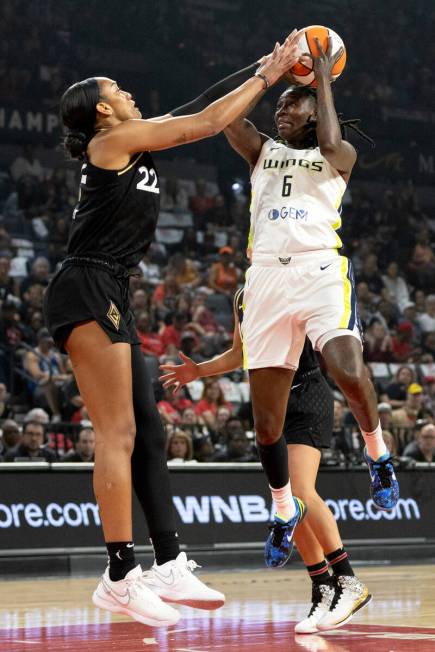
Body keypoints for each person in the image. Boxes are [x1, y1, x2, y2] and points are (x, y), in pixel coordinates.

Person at [43, 35, 301, 627]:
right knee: (117, 432)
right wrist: (272, 77)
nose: (126, 90)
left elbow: (201, 104)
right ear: (103, 109)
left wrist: (260, 67)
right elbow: (206, 123)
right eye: (117, 88)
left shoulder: (126, 135)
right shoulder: (113, 140)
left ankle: (166, 559)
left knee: (151, 430)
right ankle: (118, 575)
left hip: (111, 288)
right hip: (86, 286)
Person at [171, 35, 399, 568]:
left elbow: (332, 133)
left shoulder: (338, 154)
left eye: (288, 107)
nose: (279, 113)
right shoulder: (261, 152)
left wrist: (320, 79)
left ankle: (378, 453)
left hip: (319, 268)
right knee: (266, 425)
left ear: (311, 111)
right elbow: (223, 115)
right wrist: (269, 75)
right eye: (277, 107)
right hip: (266, 280)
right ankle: (281, 510)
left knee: (345, 365)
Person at [160, 286, 371, 632]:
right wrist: (199, 371)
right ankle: (322, 586)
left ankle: (348, 580)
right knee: (286, 499)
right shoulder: (242, 294)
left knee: (300, 491)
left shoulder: (295, 281)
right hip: (271, 404)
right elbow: (239, 354)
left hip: (306, 395)